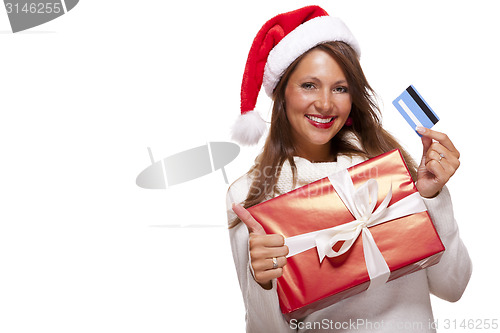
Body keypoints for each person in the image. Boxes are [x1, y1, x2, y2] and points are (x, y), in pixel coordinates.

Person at [226, 6, 472, 333]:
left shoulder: (388, 166)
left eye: (340, 88)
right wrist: (262, 282)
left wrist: (433, 196)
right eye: (309, 85)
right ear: (282, 93)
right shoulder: (251, 195)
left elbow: (453, 287)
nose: (326, 104)